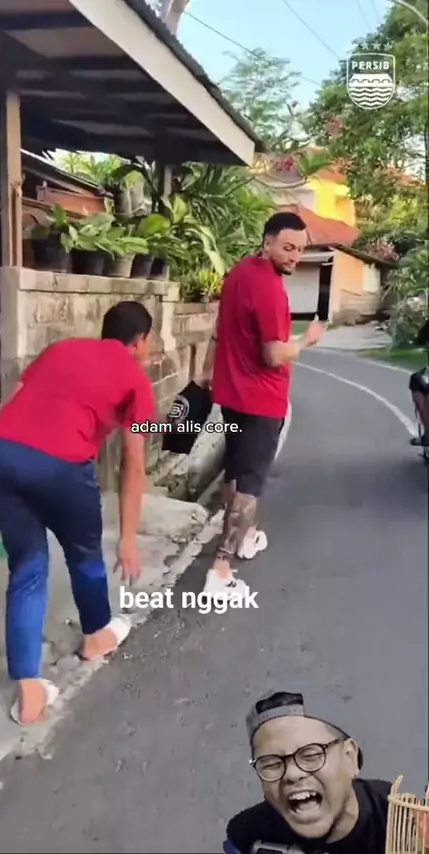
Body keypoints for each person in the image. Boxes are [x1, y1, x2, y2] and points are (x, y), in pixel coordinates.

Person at [0, 301, 156, 725]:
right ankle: (96, 636)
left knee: (27, 568)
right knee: (84, 554)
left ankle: (29, 690)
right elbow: (133, 463)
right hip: (60, 464)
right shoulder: (136, 379)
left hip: (1, 451)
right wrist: (128, 539)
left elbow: (12, 404)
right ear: (141, 341)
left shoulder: (61, 349)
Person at [201, 212, 326, 599]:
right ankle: (221, 570)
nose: (294, 256)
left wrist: (207, 372)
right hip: (261, 400)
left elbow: (219, 332)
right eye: (287, 247)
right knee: (249, 485)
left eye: (300, 250)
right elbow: (274, 355)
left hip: (232, 395)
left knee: (235, 472)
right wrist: (307, 340)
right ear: (267, 241)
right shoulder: (270, 289)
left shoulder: (239, 273)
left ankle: (247, 535)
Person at [225, 690, 392, 853]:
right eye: (271, 764)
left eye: (310, 755)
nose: (292, 774)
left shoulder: (398, 815)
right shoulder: (247, 835)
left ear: (350, 757)